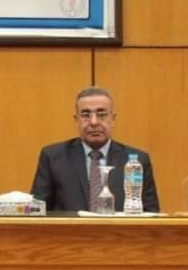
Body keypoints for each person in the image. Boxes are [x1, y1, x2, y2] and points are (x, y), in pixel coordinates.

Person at [30, 86, 159, 213]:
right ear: (77, 120)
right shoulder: (53, 157)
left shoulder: (137, 161)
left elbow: (152, 214)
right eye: (86, 115)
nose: (93, 122)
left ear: (113, 119)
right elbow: (36, 211)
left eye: (101, 114)